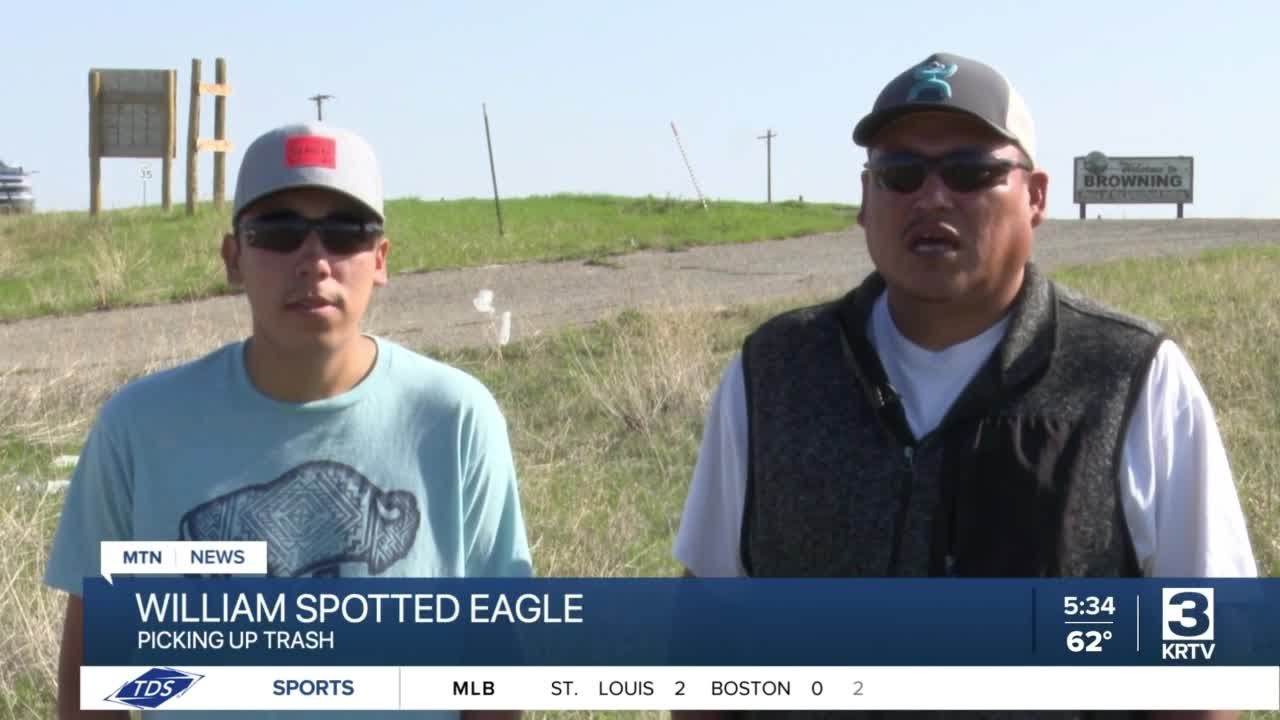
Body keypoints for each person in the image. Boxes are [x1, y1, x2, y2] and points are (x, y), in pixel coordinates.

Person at [673, 52, 1256, 719]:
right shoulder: (774, 372)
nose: (932, 196)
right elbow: (709, 626)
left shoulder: (1132, 377)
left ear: (1035, 197)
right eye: (900, 173)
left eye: (971, 171)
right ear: (866, 201)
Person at [44, 122, 532, 719]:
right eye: (278, 232)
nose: (315, 260)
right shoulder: (139, 430)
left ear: (379, 260)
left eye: (345, 232)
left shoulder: (456, 419)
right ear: (234, 259)